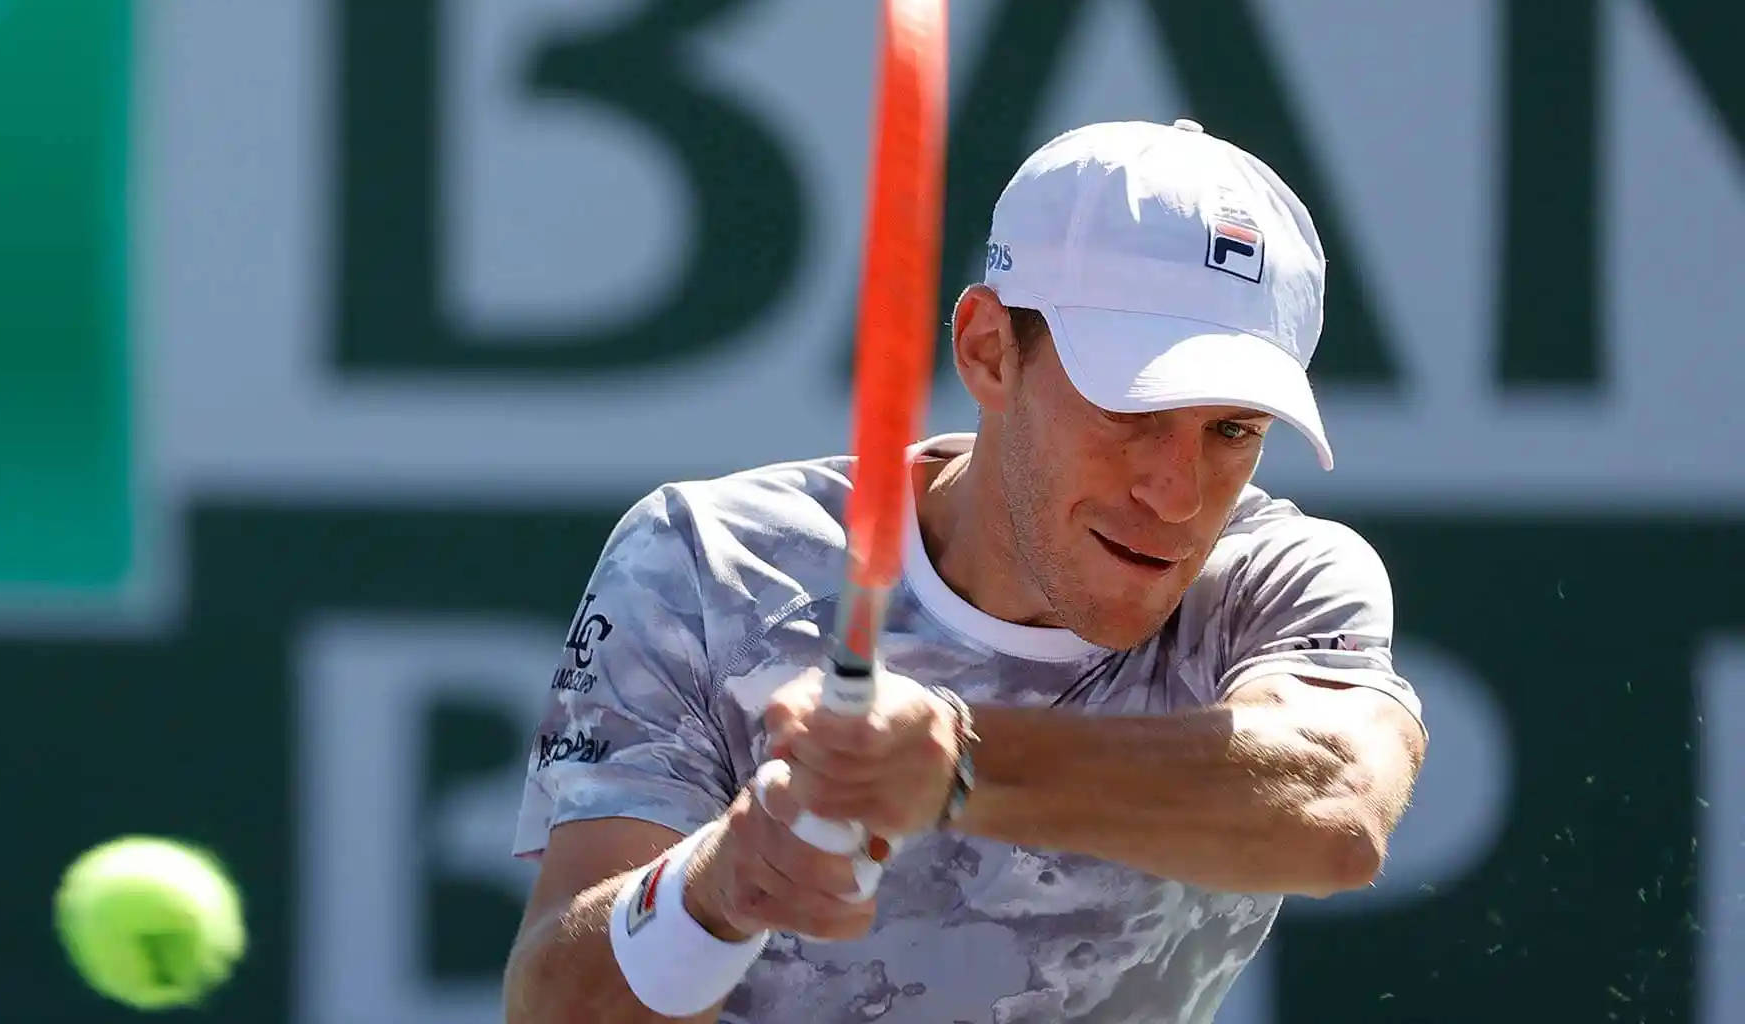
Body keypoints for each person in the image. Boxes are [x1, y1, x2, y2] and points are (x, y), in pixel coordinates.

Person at [503, 118, 1427, 1023]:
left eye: (1232, 432)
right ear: (988, 348)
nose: (1177, 494)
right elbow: (554, 1008)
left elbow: (1336, 802)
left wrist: (954, 765)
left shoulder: (1279, 581)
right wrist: (716, 890)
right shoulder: (703, 563)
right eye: (1130, 409)